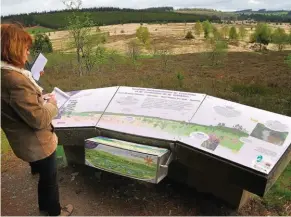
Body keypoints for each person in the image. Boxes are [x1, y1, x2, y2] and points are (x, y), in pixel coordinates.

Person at [1, 24, 73, 216]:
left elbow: (18, 105)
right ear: (13, 49)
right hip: (37, 143)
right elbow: (39, 119)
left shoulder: (7, 75)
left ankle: (45, 208)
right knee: (50, 178)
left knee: (44, 174)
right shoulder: (15, 81)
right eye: (25, 48)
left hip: (22, 140)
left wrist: (37, 92)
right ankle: (54, 212)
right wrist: (52, 104)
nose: (28, 52)